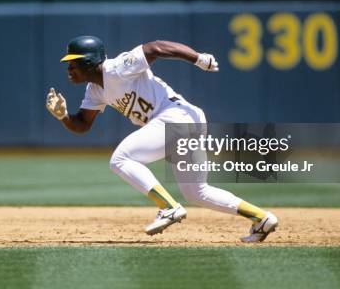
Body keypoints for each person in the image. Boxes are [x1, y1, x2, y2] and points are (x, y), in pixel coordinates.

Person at [45, 35, 278, 242]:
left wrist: (197, 58)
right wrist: (63, 116)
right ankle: (261, 218)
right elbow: (83, 125)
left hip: (176, 117)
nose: (69, 69)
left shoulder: (117, 68)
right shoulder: (94, 90)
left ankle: (168, 207)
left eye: (73, 64)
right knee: (196, 191)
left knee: (121, 159)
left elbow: (155, 47)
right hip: (185, 122)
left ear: (88, 62)